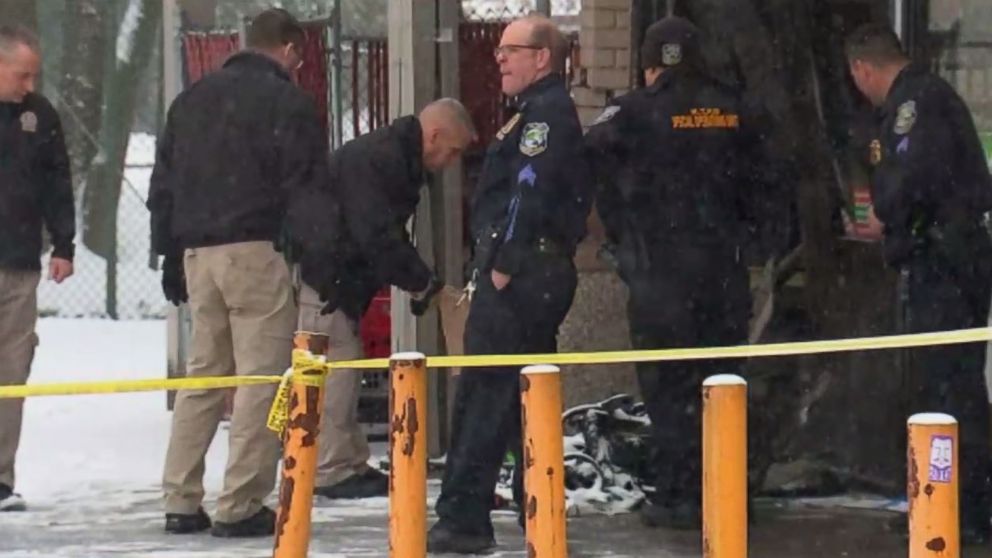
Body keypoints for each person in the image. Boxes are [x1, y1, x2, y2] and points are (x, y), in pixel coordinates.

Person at [148, 8, 339, 538]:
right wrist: (322, 257)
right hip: (256, 250)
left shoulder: (190, 102)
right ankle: (240, 501)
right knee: (260, 378)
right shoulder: (288, 103)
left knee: (203, 375)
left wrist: (167, 253)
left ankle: (180, 498)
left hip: (197, 254)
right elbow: (306, 189)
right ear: (290, 50)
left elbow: (162, 187)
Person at [427, 15, 593, 554]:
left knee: (487, 392)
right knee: (526, 392)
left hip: (523, 274)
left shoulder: (544, 118)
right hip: (530, 273)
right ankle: (534, 503)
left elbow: (528, 190)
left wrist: (502, 262)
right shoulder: (530, 114)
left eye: (511, 50)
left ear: (542, 57)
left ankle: (464, 518)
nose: (499, 58)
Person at [585, 16, 757, 530]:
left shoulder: (633, 111)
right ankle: (727, 492)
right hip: (725, 274)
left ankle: (681, 496)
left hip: (661, 276)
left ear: (649, 65)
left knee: (670, 390)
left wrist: (616, 229)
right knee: (724, 384)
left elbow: (588, 157)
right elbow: (774, 178)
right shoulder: (737, 108)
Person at [846, 23, 992, 544]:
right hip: (945, 259)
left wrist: (886, 218)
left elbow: (912, 179)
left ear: (862, 68)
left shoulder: (915, 104)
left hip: (947, 265)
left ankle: (962, 511)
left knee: (948, 393)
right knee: (943, 389)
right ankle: (944, 502)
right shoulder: (925, 97)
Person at [298, 98, 475, 500]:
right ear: (433, 136)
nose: (452, 162)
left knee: (341, 364)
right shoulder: (383, 161)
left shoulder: (391, 156)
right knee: (337, 370)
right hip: (328, 280)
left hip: (335, 276)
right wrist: (421, 282)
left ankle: (347, 460)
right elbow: (376, 235)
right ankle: (333, 469)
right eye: (453, 151)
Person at [0, 25, 75, 513]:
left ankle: (0, 478)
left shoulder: (38, 115)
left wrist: (63, 243)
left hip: (19, 264)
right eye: (21, 75)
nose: (28, 85)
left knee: (10, 371)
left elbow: (57, 180)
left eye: (33, 76)